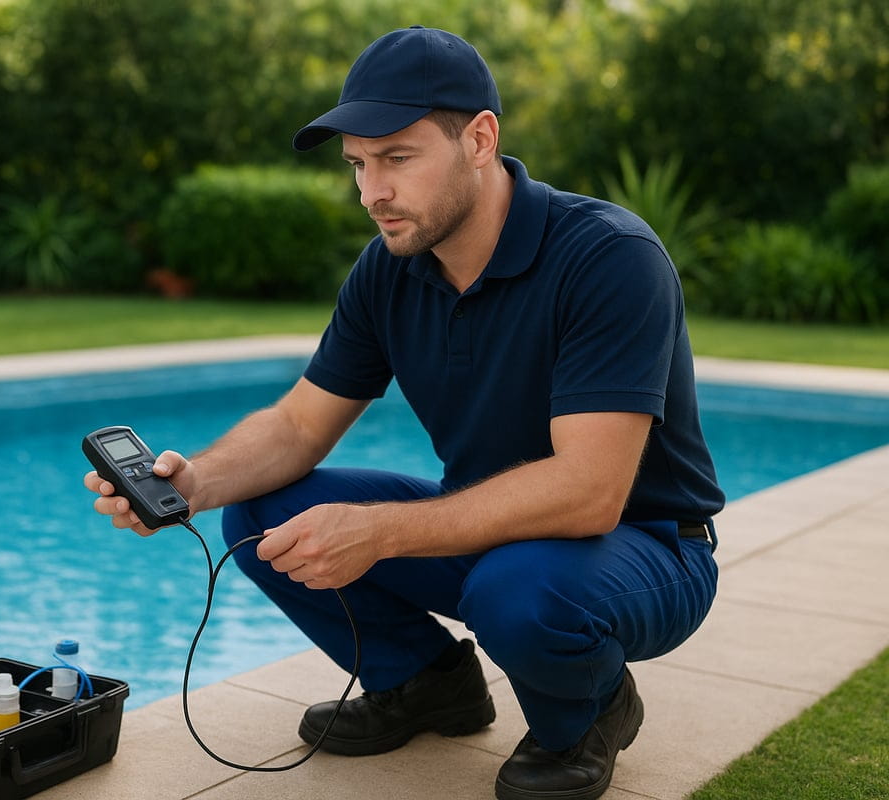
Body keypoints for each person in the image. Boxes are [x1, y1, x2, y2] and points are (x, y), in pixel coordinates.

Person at [86, 25, 723, 800]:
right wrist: (195, 482)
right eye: (357, 163)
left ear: (479, 139)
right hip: (487, 533)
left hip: (644, 547)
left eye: (397, 158)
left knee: (515, 592)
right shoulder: (392, 265)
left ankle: (588, 710)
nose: (371, 192)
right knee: (261, 517)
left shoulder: (609, 258)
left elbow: (590, 493)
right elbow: (298, 426)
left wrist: (379, 531)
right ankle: (426, 683)